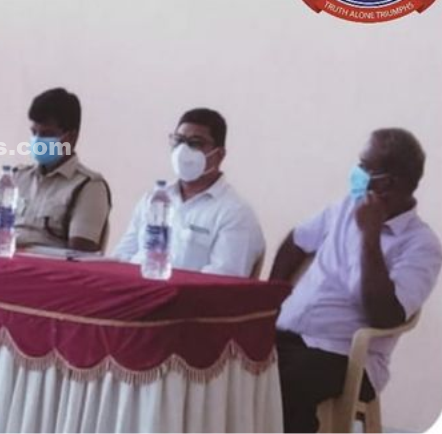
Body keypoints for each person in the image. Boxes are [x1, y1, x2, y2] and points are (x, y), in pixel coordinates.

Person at [269, 128, 441, 434]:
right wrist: (273, 296)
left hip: (344, 355)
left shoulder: (422, 246)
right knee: (230, 363)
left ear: (387, 183)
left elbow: (385, 315)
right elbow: (296, 241)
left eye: (364, 166)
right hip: (288, 333)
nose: (356, 172)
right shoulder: (346, 207)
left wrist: (370, 237)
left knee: (282, 383)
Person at [112, 108, 265, 276]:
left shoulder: (235, 214)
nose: (183, 151)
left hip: (181, 293)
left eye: (195, 143)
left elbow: (221, 281)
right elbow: (121, 257)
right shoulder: (153, 198)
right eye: (178, 141)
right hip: (134, 288)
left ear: (219, 155)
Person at [13, 88, 111, 252]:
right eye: (34, 132)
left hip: (44, 266)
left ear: (71, 137)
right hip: (5, 261)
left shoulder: (89, 186)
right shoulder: (18, 177)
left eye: (46, 134)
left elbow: (80, 254)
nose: (37, 140)